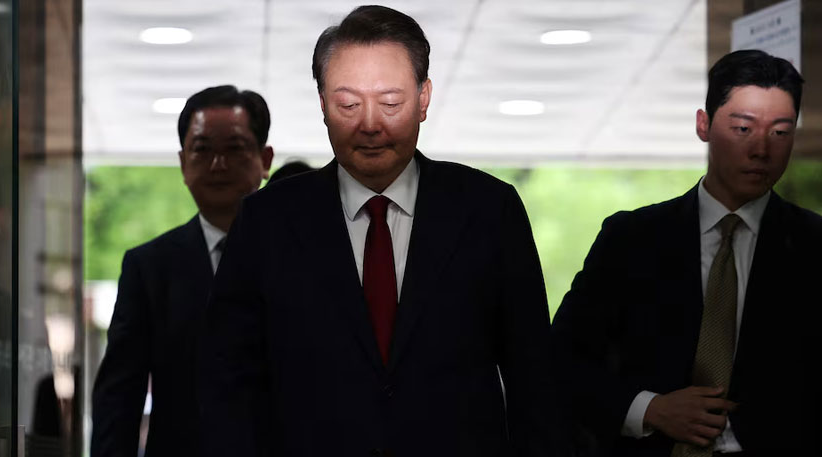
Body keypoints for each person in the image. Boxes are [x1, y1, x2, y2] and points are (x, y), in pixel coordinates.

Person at [198, 5, 557, 456]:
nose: (370, 124)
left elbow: (535, 381)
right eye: (348, 104)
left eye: (390, 103)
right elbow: (228, 384)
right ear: (323, 104)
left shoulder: (489, 211)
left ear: (424, 98)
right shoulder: (267, 221)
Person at [551, 49, 822, 456]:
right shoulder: (630, 239)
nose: (762, 149)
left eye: (780, 132)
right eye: (743, 129)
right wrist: (649, 409)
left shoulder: (814, 246)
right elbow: (561, 360)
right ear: (704, 125)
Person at [91, 85, 273, 457]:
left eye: (235, 149)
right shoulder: (149, 268)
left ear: (264, 159)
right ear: (182, 162)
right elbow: (120, 397)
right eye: (202, 150)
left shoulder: (301, 258)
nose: (218, 164)